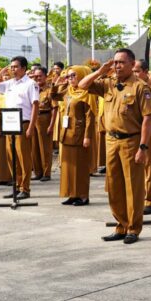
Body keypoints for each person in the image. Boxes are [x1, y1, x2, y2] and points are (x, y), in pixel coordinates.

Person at [79, 48, 151, 245]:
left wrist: (143, 147)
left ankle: (133, 228)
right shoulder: (108, 84)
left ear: (131, 64)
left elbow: (148, 119)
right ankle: (120, 225)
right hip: (111, 141)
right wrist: (99, 71)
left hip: (131, 141)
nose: (117, 66)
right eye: (115, 62)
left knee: (133, 188)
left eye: (121, 62)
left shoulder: (140, 87)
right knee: (114, 187)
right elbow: (82, 85)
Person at [0, 56, 39, 199]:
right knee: (12, 157)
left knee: (23, 158)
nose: (13, 69)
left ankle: (25, 188)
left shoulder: (31, 84)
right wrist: (1, 72)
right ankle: (16, 186)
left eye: (15, 67)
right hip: (10, 123)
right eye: (11, 67)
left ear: (23, 68)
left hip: (23, 123)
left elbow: (35, 105)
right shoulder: (10, 83)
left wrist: (31, 127)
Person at [53, 66, 97, 205]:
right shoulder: (69, 91)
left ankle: (83, 195)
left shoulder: (87, 93)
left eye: (73, 76)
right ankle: (72, 194)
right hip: (67, 134)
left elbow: (90, 117)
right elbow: (53, 96)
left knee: (81, 167)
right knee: (68, 167)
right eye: (68, 76)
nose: (70, 79)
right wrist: (57, 83)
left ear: (82, 76)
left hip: (79, 135)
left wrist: (87, 137)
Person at [132, 59, 151, 215]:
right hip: (134, 133)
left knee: (149, 168)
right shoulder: (132, 88)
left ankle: (149, 201)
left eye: (137, 71)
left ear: (145, 71)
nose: (134, 74)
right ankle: (137, 199)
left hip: (149, 133)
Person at [31, 67, 56, 182]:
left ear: (46, 76)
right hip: (33, 119)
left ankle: (47, 173)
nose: (37, 78)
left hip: (45, 118)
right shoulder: (32, 89)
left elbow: (54, 109)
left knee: (45, 148)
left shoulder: (50, 90)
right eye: (35, 76)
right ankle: (38, 172)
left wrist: (51, 125)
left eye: (40, 76)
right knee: (34, 147)